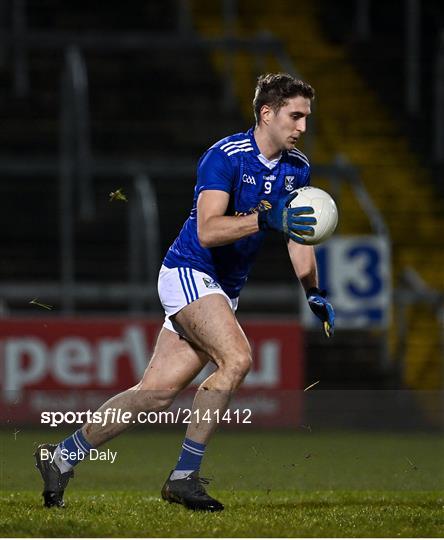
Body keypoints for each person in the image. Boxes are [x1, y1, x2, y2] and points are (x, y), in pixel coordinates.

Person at [35, 72, 335, 512]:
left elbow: (297, 236)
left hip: (221, 289)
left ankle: (61, 458)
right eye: (296, 116)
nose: (303, 127)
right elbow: (210, 230)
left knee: (154, 393)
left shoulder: (298, 168)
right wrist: (264, 220)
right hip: (189, 271)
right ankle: (183, 477)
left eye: (306, 117)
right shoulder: (224, 157)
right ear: (267, 114)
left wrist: (313, 290)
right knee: (237, 359)